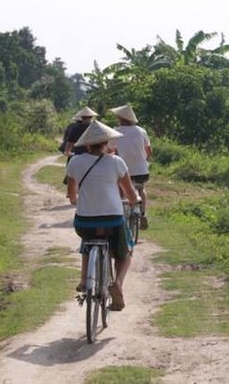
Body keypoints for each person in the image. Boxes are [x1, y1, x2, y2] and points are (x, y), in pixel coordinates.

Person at [66, 119, 139, 311]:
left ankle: (84, 280)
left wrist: (75, 201)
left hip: (84, 221)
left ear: (88, 144)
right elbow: (130, 193)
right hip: (113, 220)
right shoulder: (116, 162)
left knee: (87, 242)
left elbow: (72, 194)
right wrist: (134, 200)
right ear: (107, 143)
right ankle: (118, 284)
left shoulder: (75, 161)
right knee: (125, 253)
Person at [109, 104, 153, 229]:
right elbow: (149, 152)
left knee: (121, 188)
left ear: (120, 118)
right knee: (141, 189)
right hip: (141, 171)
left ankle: (121, 211)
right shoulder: (141, 131)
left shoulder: (115, 132)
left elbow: (109, 151)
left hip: (122, 170)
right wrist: (144, 160)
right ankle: (143, 213)